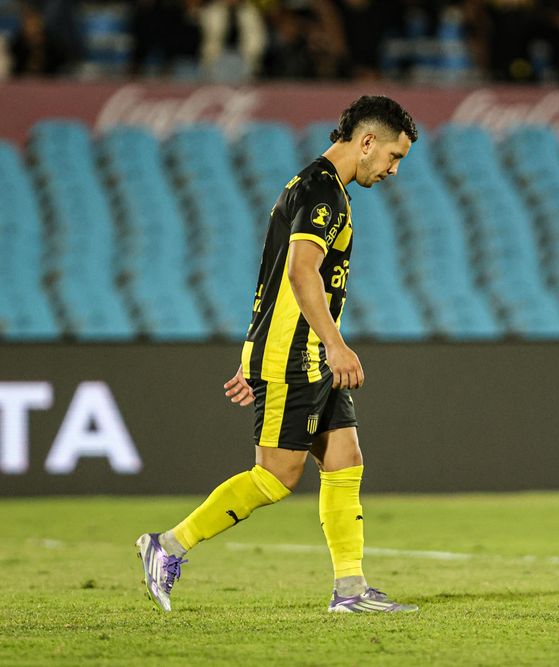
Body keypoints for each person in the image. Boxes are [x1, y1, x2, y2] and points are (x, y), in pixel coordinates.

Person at [136, 95, 419, 615]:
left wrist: (251, 351)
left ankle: (350, 591)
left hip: (293, 348)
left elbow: (270, 276)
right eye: (393, 157)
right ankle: (167, 545)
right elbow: (298, 273)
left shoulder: (311, 184)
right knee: (275, 476)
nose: (394, 170)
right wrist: (334, 344)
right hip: (298, 353)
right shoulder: (323, 193)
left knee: (344, 458)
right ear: (368, 141)